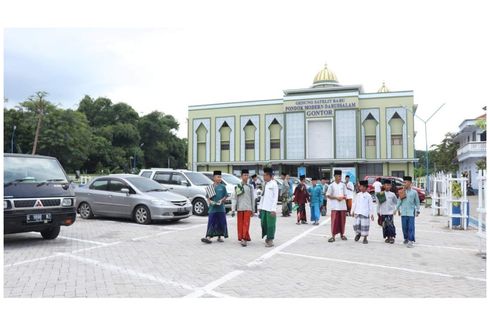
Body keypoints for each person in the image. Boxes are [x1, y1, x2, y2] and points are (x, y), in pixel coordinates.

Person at [201, 170, 229, 244]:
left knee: (221, 222)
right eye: (218, 177)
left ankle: (219, 237)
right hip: (213, 209)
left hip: (221, 209)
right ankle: (208, 237)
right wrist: (211, 202)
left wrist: (222, 200)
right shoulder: (210, 187)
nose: (219, 178)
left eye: (220, 177)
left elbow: (226, 196)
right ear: (214, 178)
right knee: (212, 223)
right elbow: (208, 198)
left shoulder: (223, 187)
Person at [232, 169, 255, 247]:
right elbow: (235, 198)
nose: (246, 177)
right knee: (240, 224)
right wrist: (233, 209)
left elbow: (252, 198)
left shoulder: (250, 187)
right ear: (241, 176)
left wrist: (253, 210)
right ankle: (242, 237)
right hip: (240, 208)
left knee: (246, 224)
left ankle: (244, 239)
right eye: (244, 175)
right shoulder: (238, 186)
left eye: (247, 175)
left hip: (248, 208)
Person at [396, 176, 420, 248]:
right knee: (404, 227)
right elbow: (399, 201)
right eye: (403, 182)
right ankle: (406, 238)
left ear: (410, 183)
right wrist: (396, 209)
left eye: (405, 182)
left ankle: (410, 240)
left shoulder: (414, 192)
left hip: (411, 212)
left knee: (411, 227)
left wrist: (418, 210)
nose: (404, 184)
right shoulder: (402, 191)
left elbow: (417, 202)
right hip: (403, 212)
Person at [259, 167, 279, 247]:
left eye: (264, 175)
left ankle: (270, 239)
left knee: (271, 225)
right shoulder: (265, 184)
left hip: (270, 209)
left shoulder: (274, 184)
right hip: (264, 208)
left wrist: (273, 209)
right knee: (263, 224)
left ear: (269, 176)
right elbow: (262, 196)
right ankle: (267, 237)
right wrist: (260, 207)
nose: (263, 177)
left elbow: (275, 198)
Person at [326, 170, 348, 242]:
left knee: (342, 221)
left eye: (340, 176)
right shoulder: (331, 185)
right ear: (335, 176)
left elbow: (346, 195)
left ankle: (342, 234)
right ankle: (333, 236)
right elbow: (328, 195)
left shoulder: (343, 185)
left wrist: (342, 197)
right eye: (338, 176)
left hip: (342, 206)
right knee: (334, 221)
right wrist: (336, 198)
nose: (340, 177)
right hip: (335, 207)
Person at [376, 179, 398, 244]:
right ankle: (387, 237)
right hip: (383, 212)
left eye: (389, 185)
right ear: (384, 186)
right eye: (386, 185)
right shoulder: (381, 194)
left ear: (391, 186)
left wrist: (395, 210)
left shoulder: (392, 194)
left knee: (390, 225)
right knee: (384, 226)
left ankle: (391, 237)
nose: (388, 186)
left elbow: (396, 202)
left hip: (390, 213)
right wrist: (378, 211)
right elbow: (378, 204)